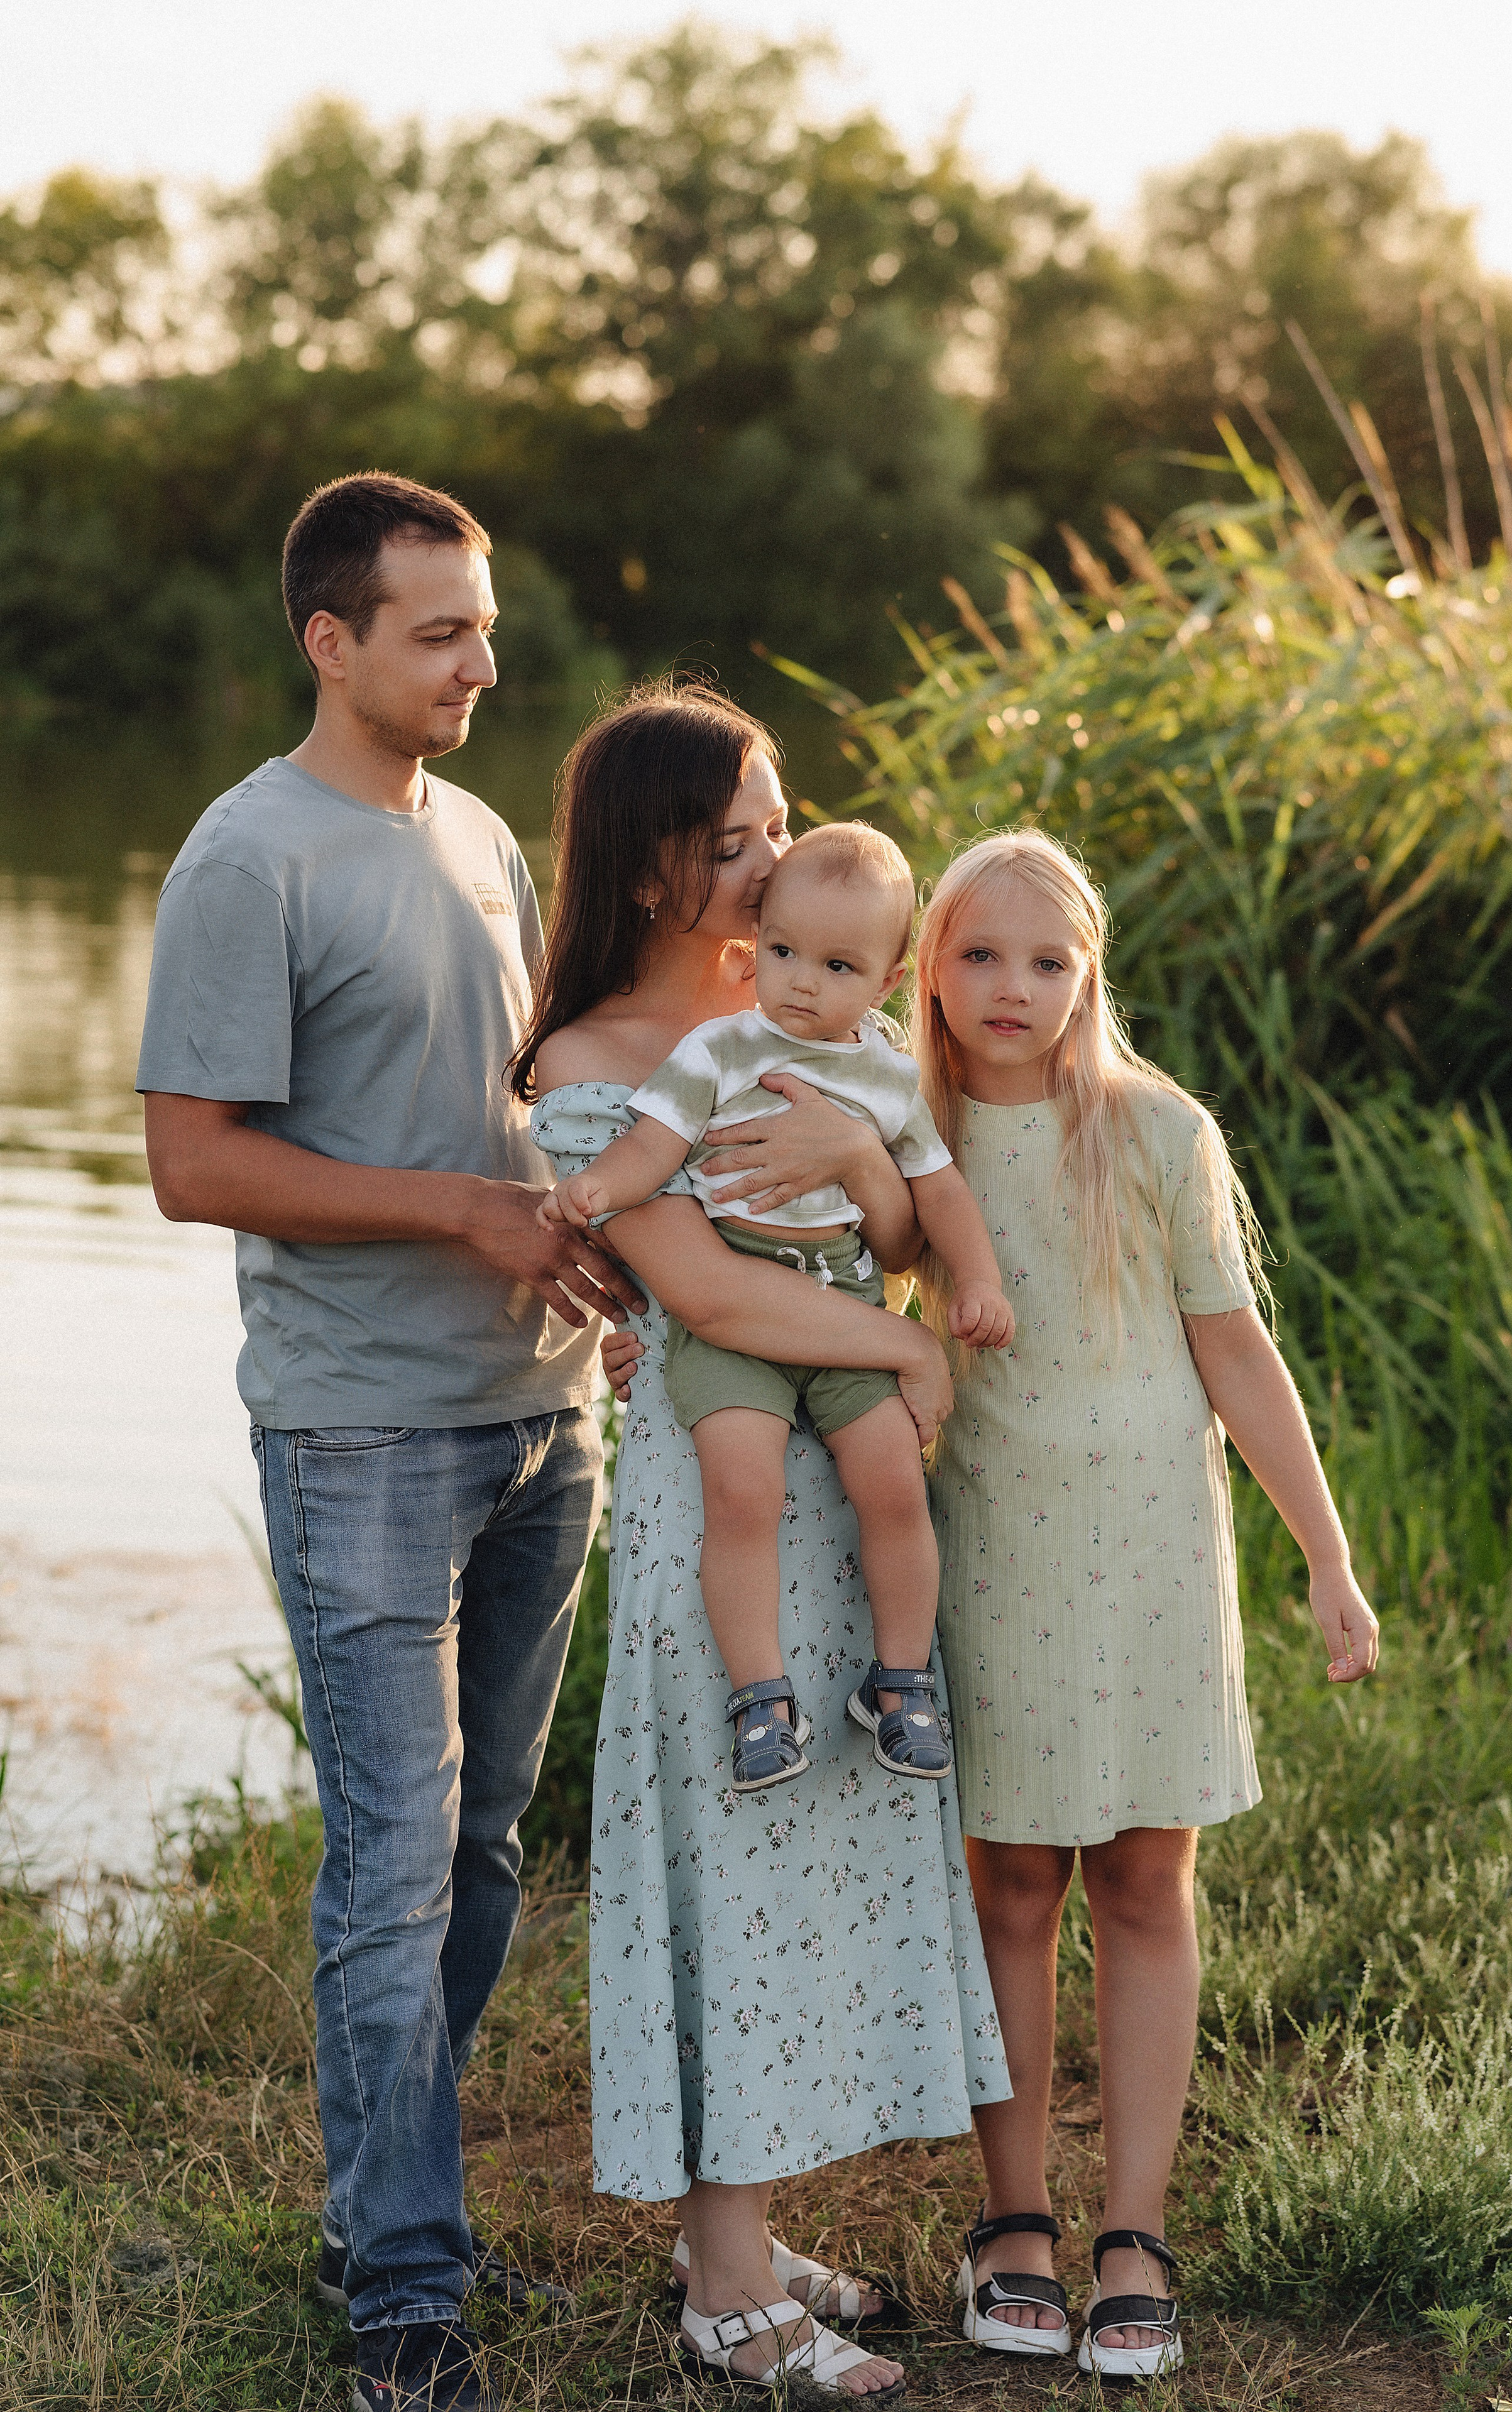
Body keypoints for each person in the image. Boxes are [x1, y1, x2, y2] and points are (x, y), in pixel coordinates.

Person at [137, 473, 647, 2412]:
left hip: (538, 1414)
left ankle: (383, 2208)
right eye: (439, 630)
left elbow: (517, 1111)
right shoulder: (243, 859)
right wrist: (460, 1213)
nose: (482, 662)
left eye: (486, 624)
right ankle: (405, 2298)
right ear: (329, 640)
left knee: (489, 1849)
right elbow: (195, 1164)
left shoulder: (488, 836)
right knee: (392, 1867)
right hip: (359, 1432)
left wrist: (600, 1256)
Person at [512, 682, 1012, 2400]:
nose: (775, 857)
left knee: (803, 1849)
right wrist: (909, 1343)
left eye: (778, 818)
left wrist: (877, 1191)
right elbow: (708, 1290)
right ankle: (728, 2288)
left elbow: (890, 1218)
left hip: (837, 1486)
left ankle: (740, 2221)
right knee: (729, 1845)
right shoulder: (592, 1068)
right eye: (735, 839)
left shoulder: (805, 999)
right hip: (717, 1497)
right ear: (651, 867)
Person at [910, 830, 1379, 2383]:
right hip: (988, 1545)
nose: (1015, 988)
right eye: (982, 953)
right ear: (930, 963)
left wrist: (1322, 1550)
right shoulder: (900, 1130)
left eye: (1049, 960)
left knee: (1140, 1877)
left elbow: (1233, 1350)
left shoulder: (1155, 1130)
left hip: (1150, 1546)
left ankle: (1130, 2228)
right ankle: (1015, 2219)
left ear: (1087, 971)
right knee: (1012, 1887)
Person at [540, 821, 1013, 1796]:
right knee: (743, 1486)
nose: (801, 981)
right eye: (785, 953)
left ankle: (901, 1680)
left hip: (840, 1292)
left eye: (836, 965)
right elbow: (654, 1146)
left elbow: (937, 1196)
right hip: (740, 1307)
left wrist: (979, 1282)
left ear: (886, 981)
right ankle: (762, 1697)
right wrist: (596, 1188)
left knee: (893, 1481)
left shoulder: (886, 1069)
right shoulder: (718, 1048)